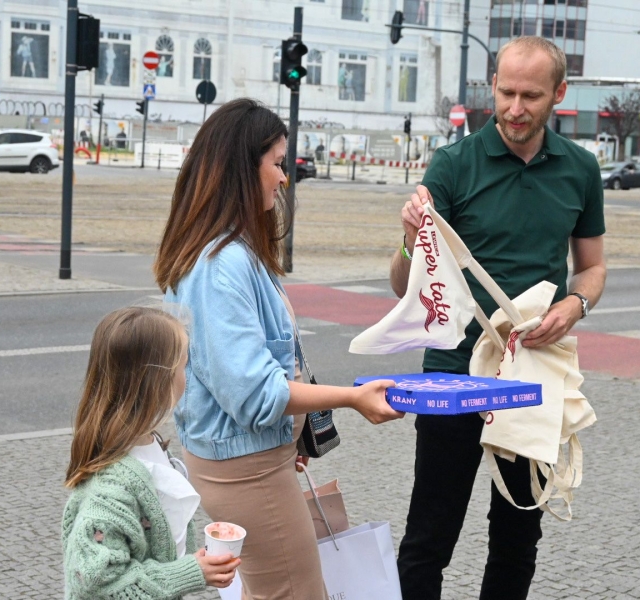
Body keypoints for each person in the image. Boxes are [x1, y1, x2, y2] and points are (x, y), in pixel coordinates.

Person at [154, 97, 403, 599]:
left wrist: (289, 438)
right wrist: (352, 398)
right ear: (243, 168)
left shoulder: (229, 251)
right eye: (277, 162)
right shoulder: (221, 265)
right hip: (247, 472)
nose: (284, 178)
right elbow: (255, 394)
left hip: (253, 463)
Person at [390, 36, 606, 600]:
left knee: (517, 538)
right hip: (454, 371)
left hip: (532, 372)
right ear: (493, 87)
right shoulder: (453, 164)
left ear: (559, 93)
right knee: (429, 537)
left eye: (530, 96)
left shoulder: (581, 169)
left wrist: (574, 305)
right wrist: (411, 240)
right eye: (506, 92)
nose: (514, 108)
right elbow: (405, 287)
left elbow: (592, 267)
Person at [62, 306, 240, 599]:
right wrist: (188, 572)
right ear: (158, 381)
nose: (187, 375)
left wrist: (189, 563)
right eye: (183, 366)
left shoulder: (149, 442)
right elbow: (98, 582)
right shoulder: (112, 487)